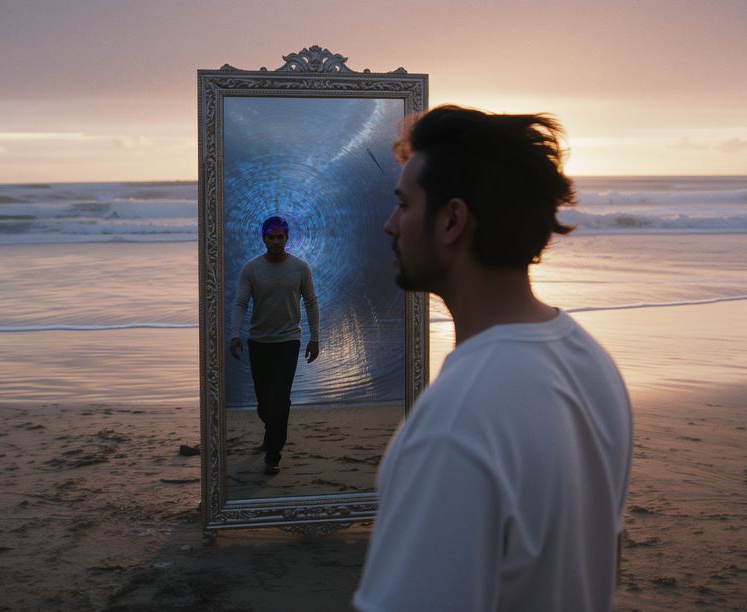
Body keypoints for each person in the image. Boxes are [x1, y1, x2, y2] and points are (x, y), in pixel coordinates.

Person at [354, 106, 633, 611]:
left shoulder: (457, 420)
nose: (390, 225)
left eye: (403, 205)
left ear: (452, 220)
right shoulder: (592, 362)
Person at [229, 216, 320, 475]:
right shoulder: (251, 268)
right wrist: (235, 334)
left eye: (281, 236)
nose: (277, 241)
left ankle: (273, 454)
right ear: (264, 238)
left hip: (288, 340)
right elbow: (240, 303)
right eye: (272, 236)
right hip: (259, 341)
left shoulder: (300, 268)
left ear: (287, 239)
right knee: (263, 402)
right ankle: (272, 431)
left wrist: (315, 338)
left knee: (280, 398)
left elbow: (312, 302)